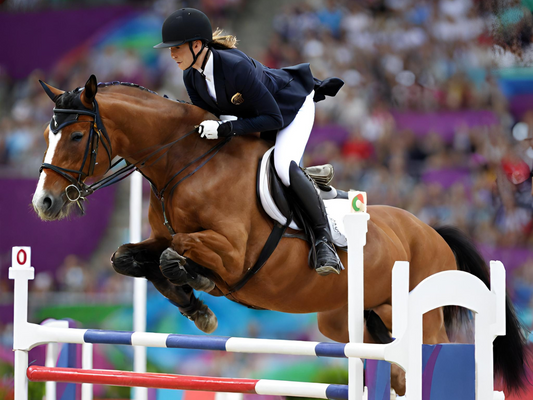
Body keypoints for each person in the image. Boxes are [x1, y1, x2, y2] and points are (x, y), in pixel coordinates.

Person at [153, 8, 344, 275]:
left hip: (290, 109)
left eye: (177, 47)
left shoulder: (235, 67)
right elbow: (208, 118)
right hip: (255, 116)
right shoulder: (191, 76)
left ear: (197, 45)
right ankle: (309, 181)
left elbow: (274, 119)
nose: (172, 54)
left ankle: (324, 242)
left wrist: (224, 129)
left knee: (281, 167)